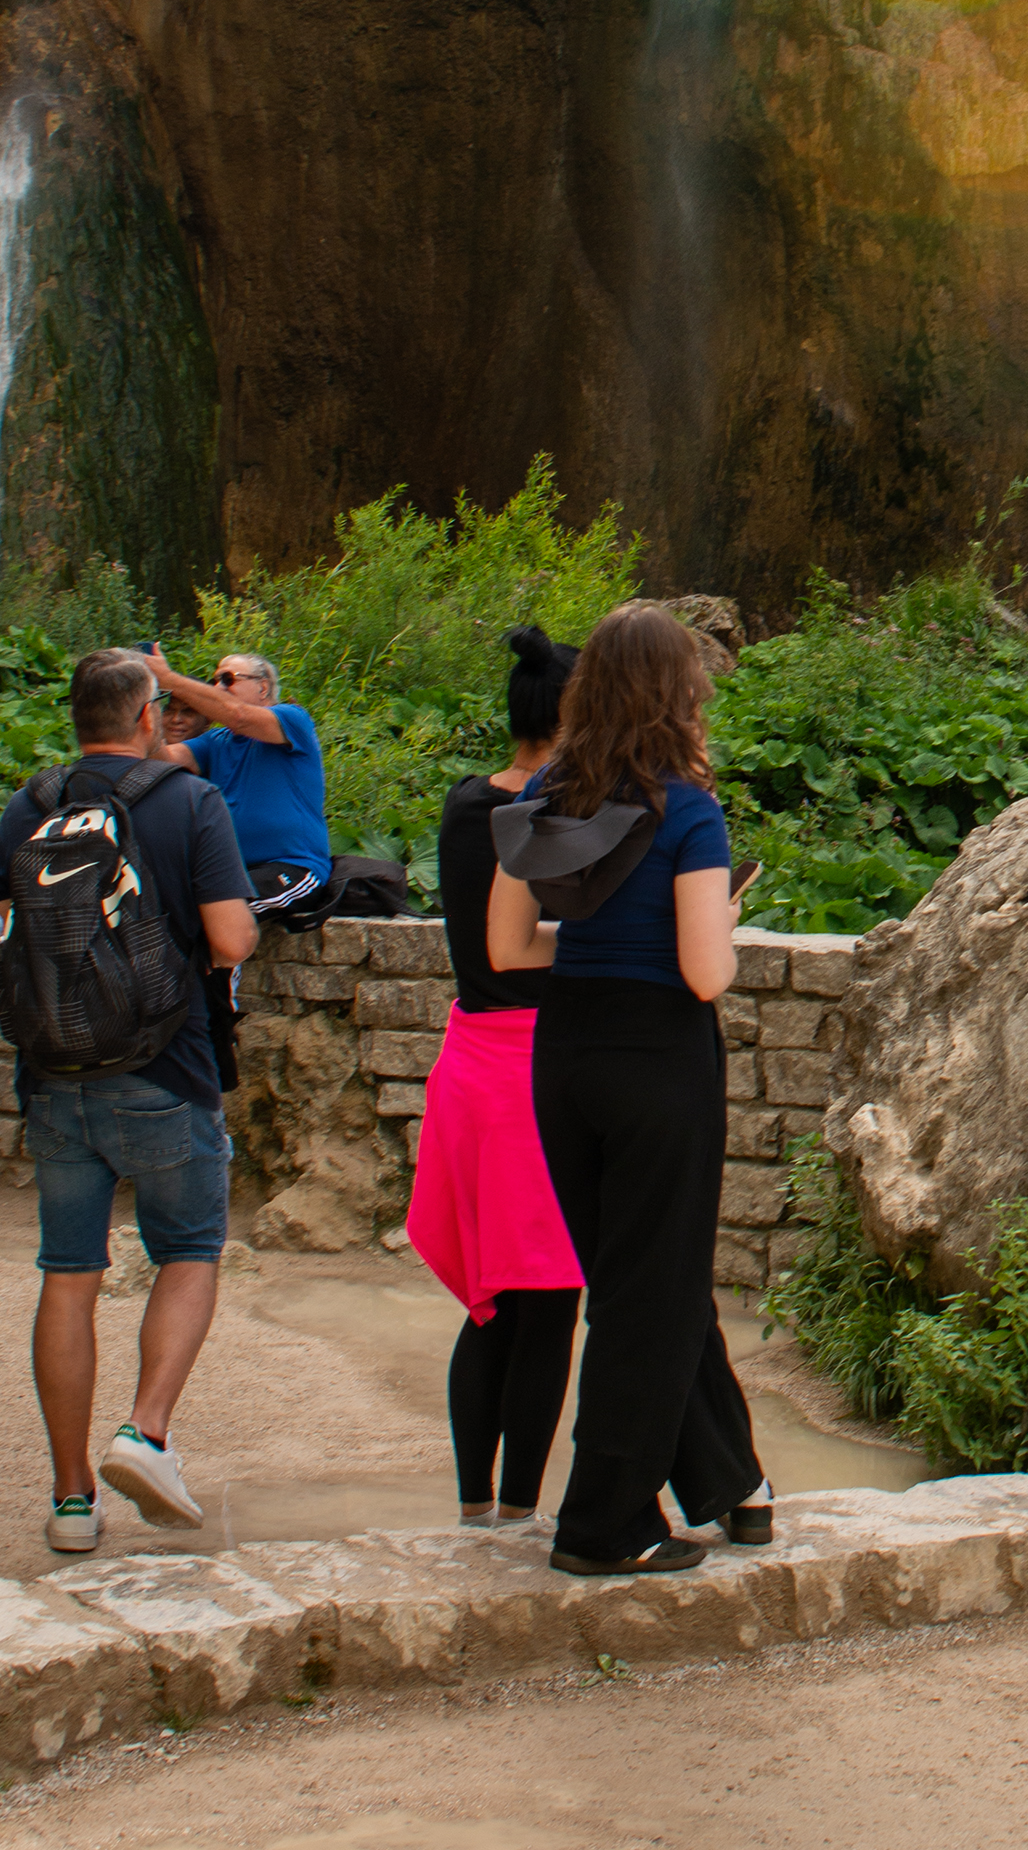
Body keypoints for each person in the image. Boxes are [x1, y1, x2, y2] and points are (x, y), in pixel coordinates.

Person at [488, 601, 768, 1575]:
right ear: (679, 691)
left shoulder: (546, 795)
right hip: (659, 1059)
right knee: (650, 1296)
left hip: (567, 1053)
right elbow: (705, 973)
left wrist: (601, 940)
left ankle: (733, 1483)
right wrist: (721, 923)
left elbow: (507, 947)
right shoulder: (688, 810)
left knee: (641, 1279)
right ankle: (605, 1523)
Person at [0, 650, 257, 1550]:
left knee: (68, 1275)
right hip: (165, 1070)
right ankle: (145, 1433)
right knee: (189, 1249)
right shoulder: (189, 802)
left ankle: (71, 1501)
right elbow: (230, 938)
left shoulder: (30, 804)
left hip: (55, 1076)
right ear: (146, 716)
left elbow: (1, 924)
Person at [410, 626, 585, 1526]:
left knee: (493, 1306)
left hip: (471, 1067)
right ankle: (519, 1512)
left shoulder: (464, 806)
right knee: (550, 1302)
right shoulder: (557, 817)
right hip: (536, 1076)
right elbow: (532, 946)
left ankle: (475, 1505)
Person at [148, 646, 333, 916]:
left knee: (217, 915)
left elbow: (239, 716)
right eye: (215, 681)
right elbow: (162, 757)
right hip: (232, 874)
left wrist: (168, 679)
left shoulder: (292, 719)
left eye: (228, 679)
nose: (218, 687)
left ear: (262, 687)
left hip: (292, 868)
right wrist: (145, 707)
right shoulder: (216, 741)